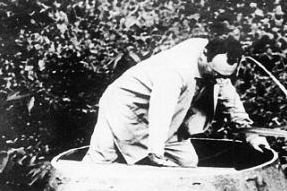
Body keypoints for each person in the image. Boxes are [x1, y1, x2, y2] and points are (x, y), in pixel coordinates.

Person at [83, 35, 269, 167]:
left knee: (187, 163)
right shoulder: (176, 69)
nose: (218, 79)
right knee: (101, 161)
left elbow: (230, 100)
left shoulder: (217, 67)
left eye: (223, 76)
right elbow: (161, 108)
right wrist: (155, 152)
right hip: (125, 108)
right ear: (204, 55)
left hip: (169, 119)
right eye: (216, 74)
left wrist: (251, 134)